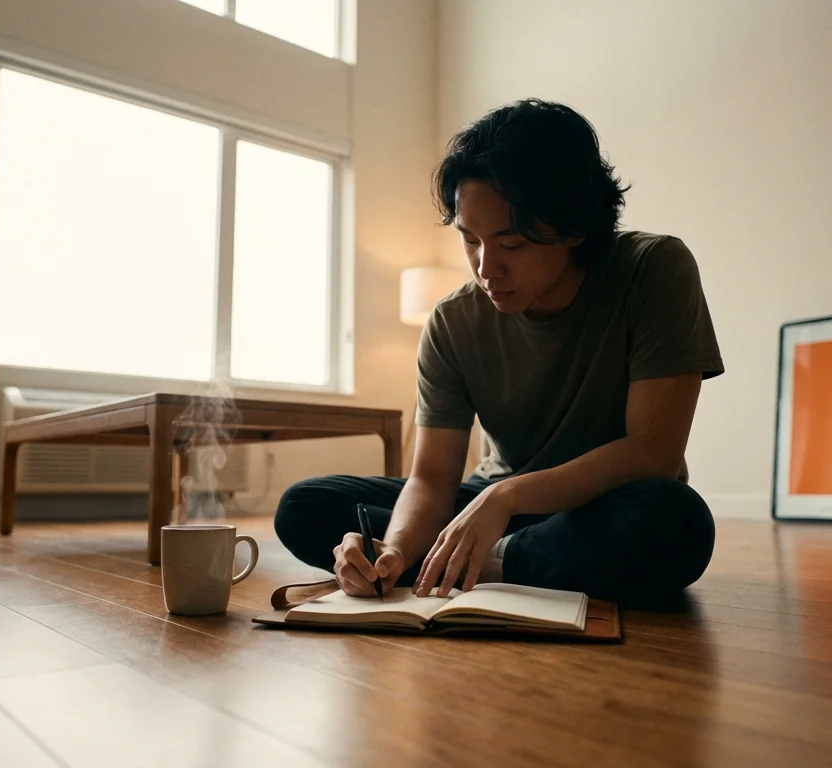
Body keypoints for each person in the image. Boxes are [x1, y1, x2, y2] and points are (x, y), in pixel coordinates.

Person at [275, 98, 724, 607]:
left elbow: (653, 453)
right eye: (471, 240)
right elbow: (432, 478)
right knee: (304, 505)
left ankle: (478, 561)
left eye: (511, 245)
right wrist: (394, 549)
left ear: (575, 228)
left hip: (595, 504)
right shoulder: (452, 321)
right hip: (489, 507)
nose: (487, 268)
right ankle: (458, 562)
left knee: (675, 521)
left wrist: (504, 499)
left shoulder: (654, 270)